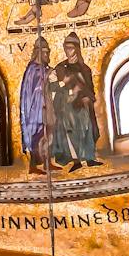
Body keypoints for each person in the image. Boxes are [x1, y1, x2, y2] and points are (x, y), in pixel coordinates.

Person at [50, 33, 99, 170]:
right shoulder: (60, 67)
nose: (68, 51)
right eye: (66, 48)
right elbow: (52, 87)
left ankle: (89, 158)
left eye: (71, 48)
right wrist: (64, 86)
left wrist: (85, 97)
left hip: (83, 105)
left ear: (77, 49)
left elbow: (90, 89)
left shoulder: (85, 69)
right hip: (67, 107)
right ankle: (76, 161)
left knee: (87, 130)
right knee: (71, 132)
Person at [19, 36, 51, 172]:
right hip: (34, 109)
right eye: (45, 53)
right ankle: (33, 165)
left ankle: (47, 162)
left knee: (48, 133)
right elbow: (33, 88)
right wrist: (48, 75)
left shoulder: (44, 68)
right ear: (38, 53)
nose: (47, 55)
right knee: (36, 134)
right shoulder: (32, 69)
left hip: (45, 106)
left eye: (48, 52)